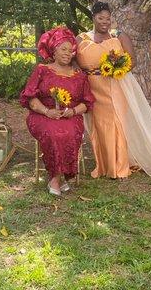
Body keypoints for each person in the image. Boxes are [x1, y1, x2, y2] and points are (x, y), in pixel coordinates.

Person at [76, 1, 151, 181]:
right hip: (91, 89)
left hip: (114, 86)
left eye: (108, 18)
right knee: (98, 126)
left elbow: (132, 61)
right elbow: (73, 60)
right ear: (93, 18)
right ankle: (103, 164)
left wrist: (115, 68)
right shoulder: (81, 38)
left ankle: (118, 167)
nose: (105, 21)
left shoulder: (119, 36)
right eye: (100, 17)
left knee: (116, 123)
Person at [20, 27, 95, 196]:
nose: (68, 53)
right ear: (54, 50)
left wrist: (73, 111)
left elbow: (87, 103)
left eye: (70, 50)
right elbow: (30, 99)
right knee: (53, 132)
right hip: (42, 115)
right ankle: (55, 178)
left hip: (70, 116)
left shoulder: (79, 75)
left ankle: (59, 178)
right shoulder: (42, 70)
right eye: (63, 49)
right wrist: (47, 111)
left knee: (68, 132)